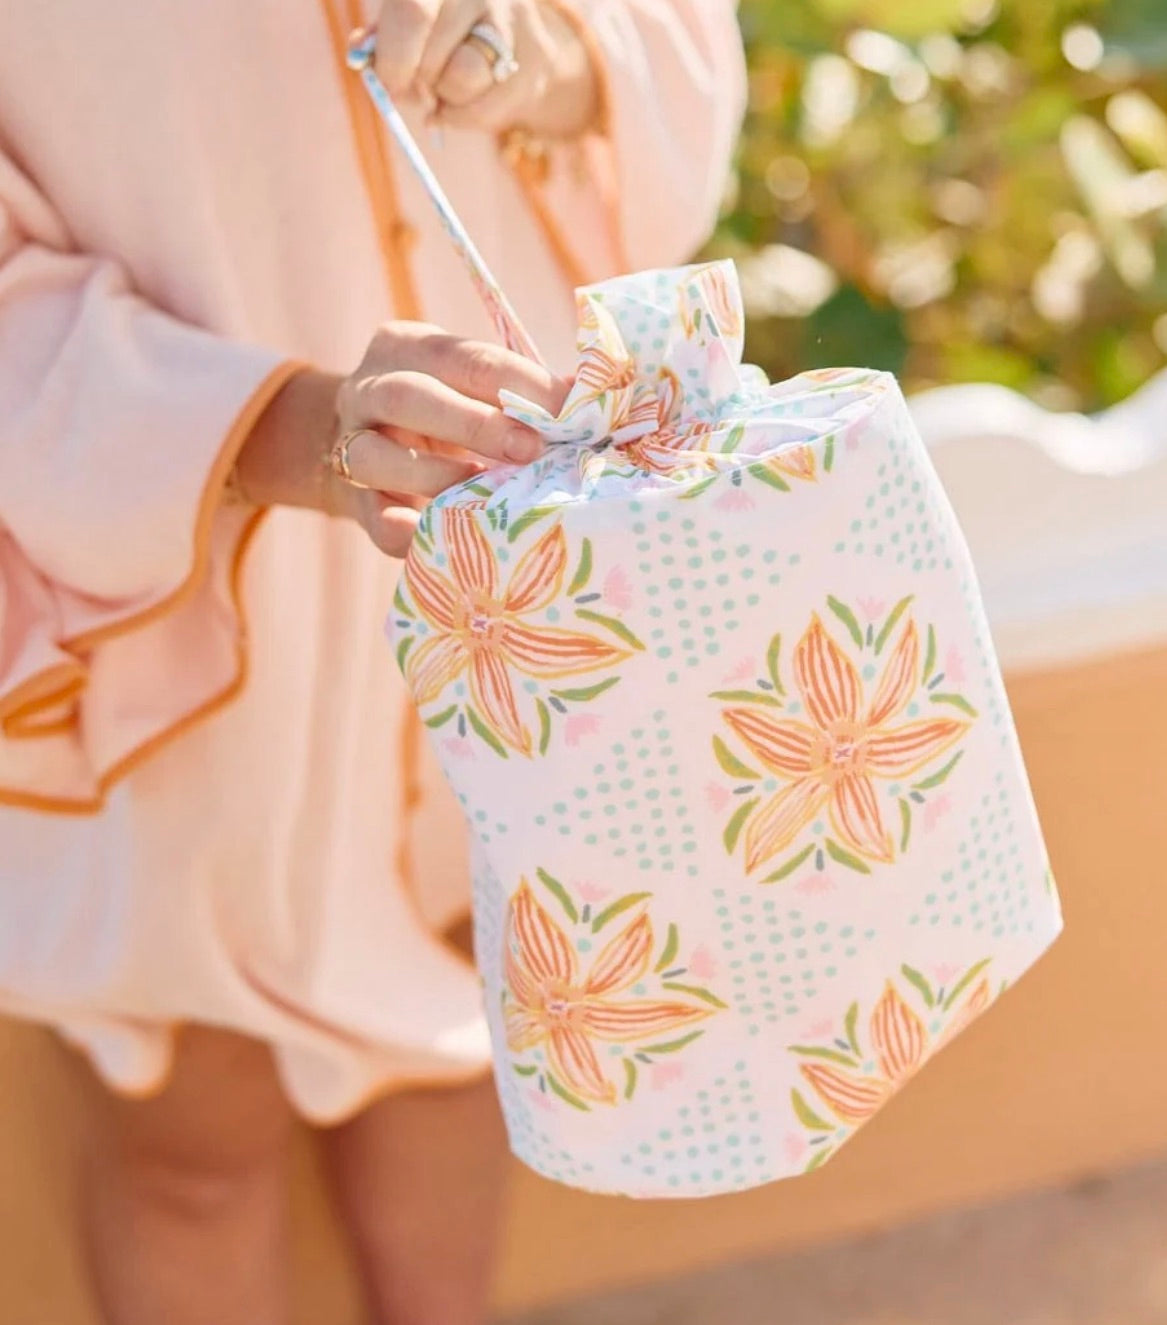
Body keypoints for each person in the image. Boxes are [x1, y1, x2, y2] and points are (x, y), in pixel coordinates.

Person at [0, 3, 746, 1323]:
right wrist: (291, 433)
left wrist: (544, 54)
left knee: (468, 1021)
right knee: (195, 1123)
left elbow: (673, 37)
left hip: (514, 544)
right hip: (171, 544)